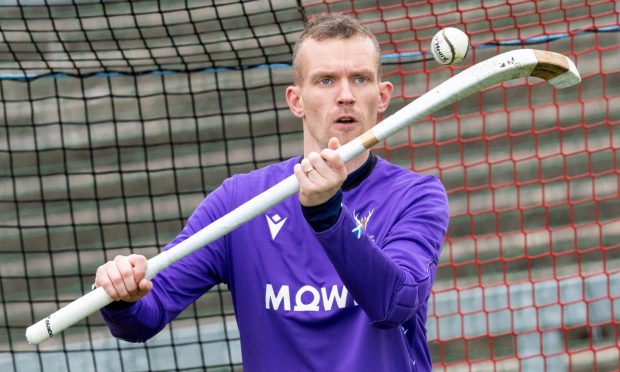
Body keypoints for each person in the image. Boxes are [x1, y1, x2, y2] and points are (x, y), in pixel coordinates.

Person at [96, 13, 449, 371]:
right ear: (296, 100)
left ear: (382, 95)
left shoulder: (416, 196)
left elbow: (395, 303)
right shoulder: (240, 200)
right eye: (326, 80)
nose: (345, 96)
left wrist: (327, 214)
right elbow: (144, 318)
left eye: (360, 78)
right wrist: (122, 294)